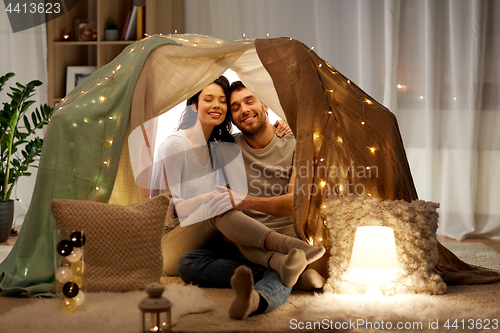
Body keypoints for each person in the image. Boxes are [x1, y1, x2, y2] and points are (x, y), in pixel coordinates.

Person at [156, 76, 325, 289]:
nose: (242, 109)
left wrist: (288, 122)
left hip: (248, 237)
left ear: (265, 104)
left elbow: (294, 201)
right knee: (195, 250)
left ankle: (285, 265)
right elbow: (163, 208)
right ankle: (292, 265)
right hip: (196, 238)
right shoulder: (197, 146)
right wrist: (210, 199)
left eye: (249, 101)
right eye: (234, 106)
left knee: (222, 213)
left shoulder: (222, 147)